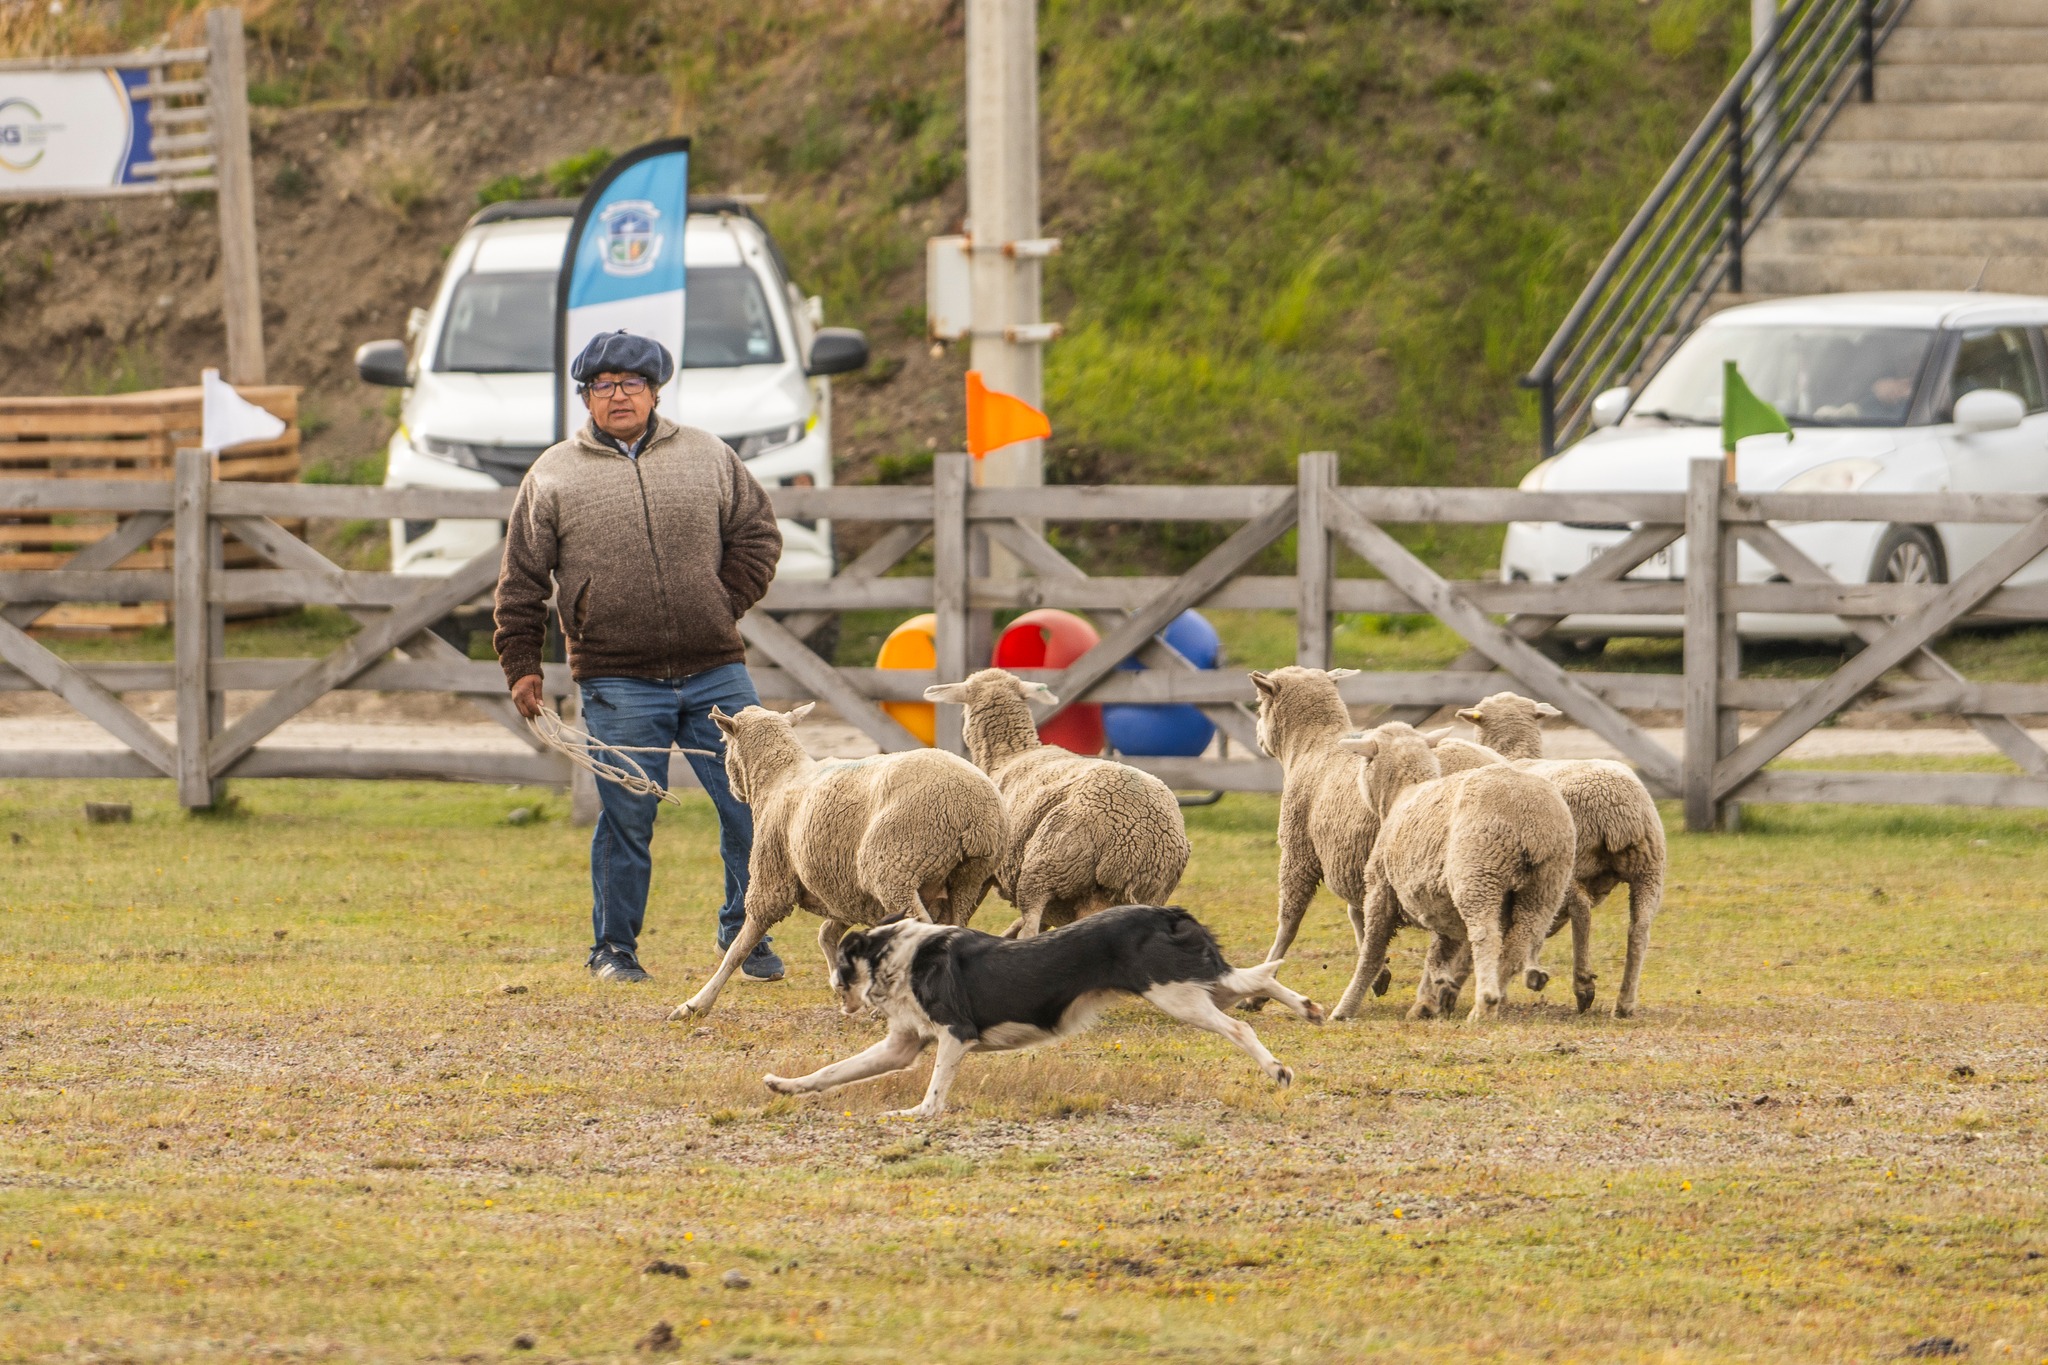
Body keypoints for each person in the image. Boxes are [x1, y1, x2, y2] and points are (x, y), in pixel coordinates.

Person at [494, 330, 786, 985]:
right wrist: (522, 663)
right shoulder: (553, 474)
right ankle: (614, 949)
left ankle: (745, 931)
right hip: (616, 678)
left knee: (756, 806)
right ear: (586, 397)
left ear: (655, 391)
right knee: (627, 817)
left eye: (631, 383)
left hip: (716, 670)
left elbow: (758, 536)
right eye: (603, 385)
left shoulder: (709, 456)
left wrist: (719, 602)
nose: (618, 394)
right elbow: (522, 579)